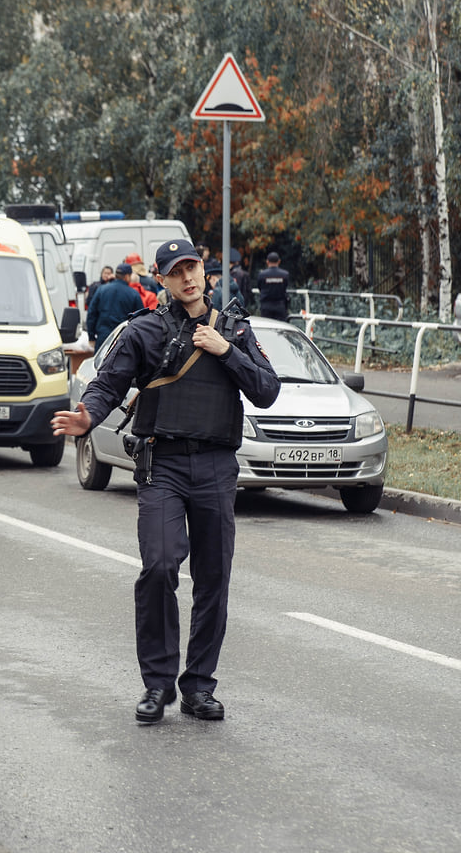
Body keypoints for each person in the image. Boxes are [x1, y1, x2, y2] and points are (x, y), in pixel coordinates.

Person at [50, 238, 280, 724]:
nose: (188, 277)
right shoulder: (145, 331)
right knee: (157, 567)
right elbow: (108, 383)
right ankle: (157, 685)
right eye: (176, 272)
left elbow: (267, 390)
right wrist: (87, 416)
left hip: (217, 467)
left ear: (206, 271)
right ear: (162, 280)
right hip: (163, 465)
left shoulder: (234, 329)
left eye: (193, 267)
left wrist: (226, 352)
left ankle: (199, 686)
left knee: (213, 579)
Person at [86, 263, 145, 349]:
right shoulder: (133, 294)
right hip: (124, 339)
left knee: (101, 362)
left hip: (103, 338)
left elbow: (91, 313)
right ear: (127, 276)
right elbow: (141, 318)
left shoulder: (101, 289)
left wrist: (91, 336)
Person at [256, 251, 291, 321]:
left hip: (266, 306)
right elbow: (285, 287)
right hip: (280, 305)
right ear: (279, 261)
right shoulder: (285, 274)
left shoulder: (262, 275)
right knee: (280, 328)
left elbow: (260, 287)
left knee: (266, 326)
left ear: (267, 262)